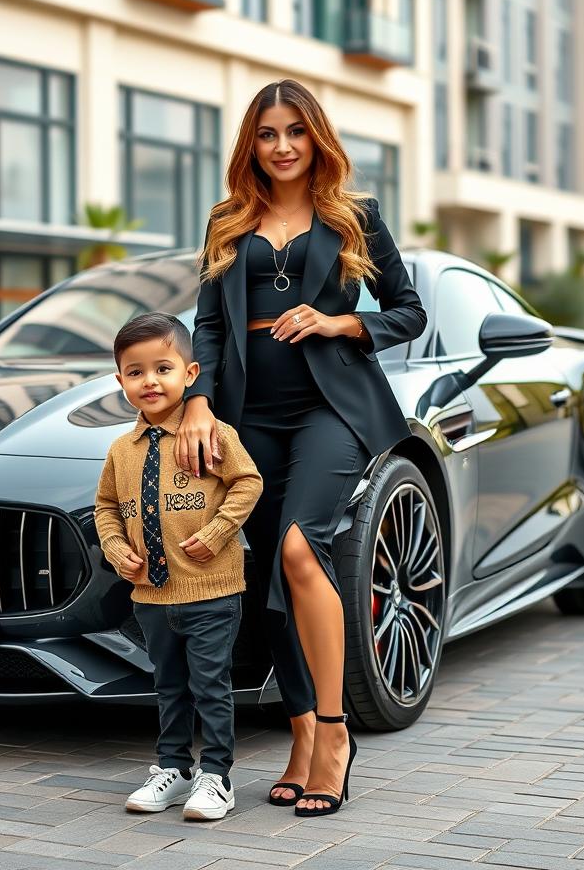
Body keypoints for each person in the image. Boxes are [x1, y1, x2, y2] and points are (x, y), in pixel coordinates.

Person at [174, 79, 427, 817]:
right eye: (266, 133)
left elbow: (408, 312)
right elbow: (211, 327)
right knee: (266, 581)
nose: (281, 146)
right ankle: (299, 737)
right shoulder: (228, 219)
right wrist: (197, 402)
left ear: (317, 136)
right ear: (250, 144)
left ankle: (336, 734)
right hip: (250, 414)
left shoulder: (355, 218)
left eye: (294, 131)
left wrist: (340, 323)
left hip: (332, 406)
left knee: (297, 550)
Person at [95, 312, 263, 821]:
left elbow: (248, 482)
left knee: (210, 685)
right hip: (149, 596)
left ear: (190, 374)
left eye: (162, 368)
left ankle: (217, 776)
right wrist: (114, 546)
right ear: (120, 379)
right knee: (168, 686)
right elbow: (105, 505)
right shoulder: (121, 450)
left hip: (210, 591)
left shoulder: (212, 434)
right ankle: (174, 769)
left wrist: (215, 535)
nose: (150, 381)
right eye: (136, 371)